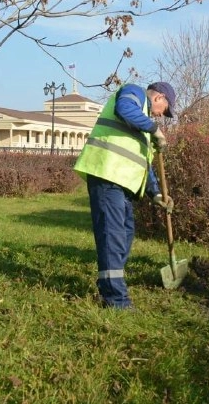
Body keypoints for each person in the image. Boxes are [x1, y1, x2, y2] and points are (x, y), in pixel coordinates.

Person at [74, 81, 177, 310]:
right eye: (165, 110)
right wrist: (154, 129)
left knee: (125, 234)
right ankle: (116, 300)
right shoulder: (135, 93)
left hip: (121, 184)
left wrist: (157, 194)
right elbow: (123, 109)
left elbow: (144, 165)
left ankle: (109, 283)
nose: (161, 116)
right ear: (159, 97)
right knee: (113, 236)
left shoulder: (142, 126)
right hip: (106, 174)